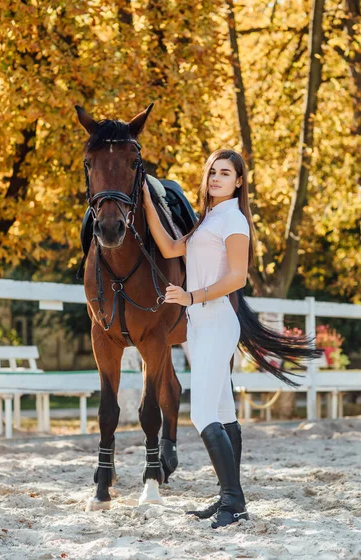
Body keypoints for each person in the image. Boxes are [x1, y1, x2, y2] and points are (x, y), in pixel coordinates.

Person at [142, 148, 252, 529]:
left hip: (218, 321)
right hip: (201, 324)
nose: (217, 178)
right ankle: (229, 497)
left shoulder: (234, 221)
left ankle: (234, 502)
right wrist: (146, 197)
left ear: (239, 181)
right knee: (224, 414)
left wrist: (191, 296)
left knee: (202, 413)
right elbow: (172, 248)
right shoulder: (208, 221)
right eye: (212, 172)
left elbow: (237, 277)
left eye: (226, 173)